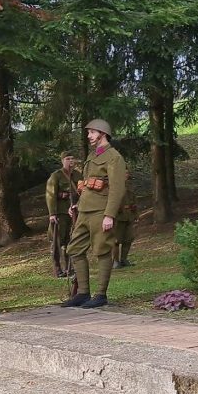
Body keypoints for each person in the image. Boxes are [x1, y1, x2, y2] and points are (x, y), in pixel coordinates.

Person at [61, 119, 126, 309]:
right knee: (74, 249)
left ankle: (100, 295)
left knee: (102, 250)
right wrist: (77, 205)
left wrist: (110, 215)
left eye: (91, 132)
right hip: (84, 210)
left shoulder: (114, 157)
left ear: (102, 133)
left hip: (101, 211)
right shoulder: (93, 156)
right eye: (88, 133)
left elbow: (117, 189)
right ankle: (82, 293)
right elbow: (89, 185)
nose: (88, 136)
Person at [46, 150, 82, 278]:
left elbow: (83, 191)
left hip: (74, 212)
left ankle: (69, 268)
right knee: (57, 241)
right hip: (60, 213)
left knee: (71, 240)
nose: (71, 161)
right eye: (68, 159)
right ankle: (57, 269)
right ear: (62, 161)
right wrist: (52, 213)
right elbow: (50, 195)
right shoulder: (56, 176)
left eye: (72, 158)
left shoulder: (78, 175)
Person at [112, 176, 137, 269]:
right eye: (124, 172)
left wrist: (135, 214)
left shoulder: (129, 184)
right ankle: (115, 261)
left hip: (129, 215)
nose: (126, 174)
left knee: (129, 238)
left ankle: (124, 259)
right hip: (118, 217)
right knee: (116, 240)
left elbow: (134, 199)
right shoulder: (115, 183)